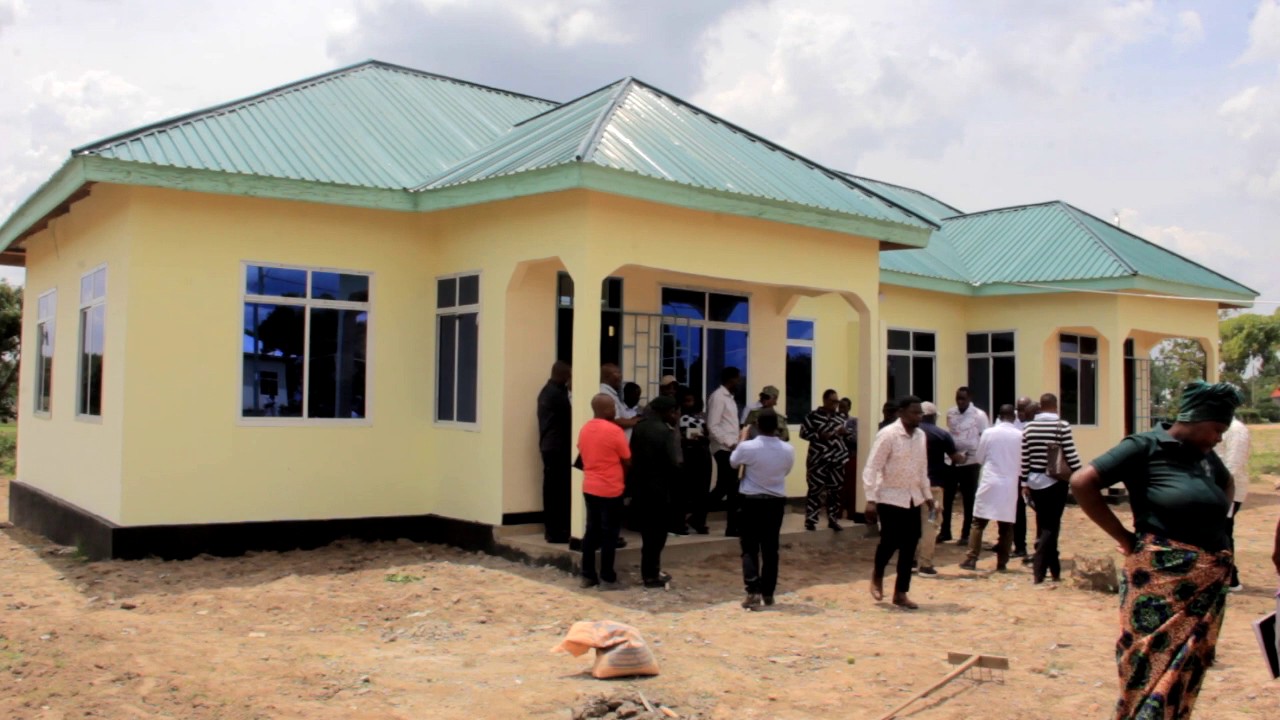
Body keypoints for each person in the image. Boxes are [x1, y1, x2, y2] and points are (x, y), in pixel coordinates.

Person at [1070, 381, 1243, 720]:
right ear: (1195, 420)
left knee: (1185, 673)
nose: (1219, 439)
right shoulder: (1144, 446)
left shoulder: (1203, 457)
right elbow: (1081, 482)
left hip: (1205, 585)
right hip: (1160, 584)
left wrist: (1214, 519)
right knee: (1148, 666)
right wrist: (1123, 536)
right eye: (1217, 430)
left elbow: (1227, 482)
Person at [864, 395, 935, 610]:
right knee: (889, 542)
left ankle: (901, 592)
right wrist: (871, 499)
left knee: (910, 545)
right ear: (901, 413)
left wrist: (928, 496)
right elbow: (872, 467)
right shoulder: (888, 435)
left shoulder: (920, 436)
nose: (919, 417)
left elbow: (922, 468)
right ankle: (878, 574)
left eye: (920, 413)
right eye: (914, 413)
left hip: (913, 497)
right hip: (889, 497)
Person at [731, 409, 796, 610]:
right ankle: (768, 592)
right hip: (775, 501)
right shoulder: (788, 449)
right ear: (776, 426)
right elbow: (786, 471)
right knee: (770, 548)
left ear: (757, 425)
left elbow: (733, 462)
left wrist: (742, 438)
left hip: (751, 500)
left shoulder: (748, 447)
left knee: (749, 547)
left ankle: (753, 590)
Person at [1020, 393, 1082, 583]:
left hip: (1034, 480)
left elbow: (1025, 458)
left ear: (1040, 406)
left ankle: (1055, 570)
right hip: (1055, 481)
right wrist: (1081, 474)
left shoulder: (1028, 427)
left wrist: (1024, 482)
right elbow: (1071, 454)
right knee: (1051, 526)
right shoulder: (1061, 426)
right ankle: (1039, 569)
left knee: (1045, 522)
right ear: (1055, 406)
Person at [577, 393, 632, 590]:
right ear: (606, 410)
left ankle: (588, 575)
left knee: (591, 531)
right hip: (610, 488)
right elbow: (627, 458)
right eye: (613, 407)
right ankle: (607, 577)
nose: (615, 410)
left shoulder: (585, 429)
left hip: (590, 486)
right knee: (610, 534)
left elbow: (582, 453)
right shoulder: (614, 431)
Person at [629, 396, 682, 589]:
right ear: (667, 412)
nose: (676, 416)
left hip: (640, 486)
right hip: (659, 489)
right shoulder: (665, 432)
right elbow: (672, 463)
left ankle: (649, 572)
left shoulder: (639, 427)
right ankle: (651, 575)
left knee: (647, 533)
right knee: (657, 535)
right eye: (674, 412)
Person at [961, 405, 1022, 572]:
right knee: (1006, 526)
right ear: (1014, 417)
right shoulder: (1020, 435)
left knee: (978, 522)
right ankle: (1002, 563)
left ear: (999, 416)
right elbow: (1022, 461)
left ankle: (971, 559)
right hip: (1009, 484)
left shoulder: (989, 433)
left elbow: (979, 457)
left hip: (990, 480)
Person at [916, 401, 962, 576]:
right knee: (931, 523)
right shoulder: (941, 434)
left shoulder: (912, 433)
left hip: (912, 487)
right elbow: (955, 457)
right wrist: (964, 458)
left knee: (913, 524)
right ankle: (925, 563)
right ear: (934, 416)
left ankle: (911, 559)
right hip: (933, 486)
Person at [800, 389, 850, 531]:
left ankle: (833, 519)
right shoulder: (812, 416)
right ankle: (811, 520)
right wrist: (820, 436)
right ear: (825, 400)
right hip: (818, 460)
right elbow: (803, 433)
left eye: (837, 401)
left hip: (837, 459)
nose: (836, 404)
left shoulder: (840, 417)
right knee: (815, 490)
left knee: (835, 491)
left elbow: (849, 435)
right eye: (833, 401)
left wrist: (845, 433)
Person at [944, 387, 990, 545]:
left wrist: (980, 458)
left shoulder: (979, 415)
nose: (960, 401)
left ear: (970, 398)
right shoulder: (951, 413)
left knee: (969, 499)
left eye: (963, 398)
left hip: (971, 462)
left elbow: (984, 437)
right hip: (952, 460)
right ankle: (945, 531)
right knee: (947, 498)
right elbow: (951, 433)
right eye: (958, 398)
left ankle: (966, 534)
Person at [536, 361, 573, 543]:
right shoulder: (556, 395)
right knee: (556, 491)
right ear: (565, 376)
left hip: (551, 446)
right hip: (556, 447)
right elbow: (571, 415)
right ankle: (555, 531)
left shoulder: (548, 391)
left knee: (555, 490)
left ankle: (556, 529)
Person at [705, 367, 743, 536]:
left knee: (724, 487)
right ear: (731, 379)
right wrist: (729, 443)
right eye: (737, 378)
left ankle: (697, 516)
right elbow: (712, 425)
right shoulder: (718, 397)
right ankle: (731, 527)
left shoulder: (729, 398)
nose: (739, 382)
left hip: (732, 448)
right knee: (731, 488)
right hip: (723, 448)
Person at [1219, 417, 1251, 591]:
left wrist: (1219, 491)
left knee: (1223, 532)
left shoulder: (1236, 430)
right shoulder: (1212, 425)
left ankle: (1231, 578)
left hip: (1226, 490)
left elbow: (1233, 465)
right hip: (1213, 489)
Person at [679, 389, 712, 535]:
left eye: (690, 400)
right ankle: (680, 522)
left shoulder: (702, 416)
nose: (688, 404)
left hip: (702, 454)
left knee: (703, 490)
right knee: (685, 491)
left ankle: (699, 521)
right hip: (688, 455)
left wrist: (704, 437)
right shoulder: (679, 416)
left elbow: (708, 434)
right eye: (685, 401)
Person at [1011, 400, 1039, 559]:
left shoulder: (1035, 427)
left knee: (1039, 512)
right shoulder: (1013, 423)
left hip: (1033, 474)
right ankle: (1019, 546)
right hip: (1017, 473)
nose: (1019, 413)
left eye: (1022, 410)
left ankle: (1039, 548)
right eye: (1018, 409)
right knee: (1017, 511)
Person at [838, 397, 859, 521]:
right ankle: (837, 512)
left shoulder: (854, 422)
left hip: (850, 456)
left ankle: (851, 512)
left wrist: (845, 433)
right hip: (837, 458)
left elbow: (857, 440)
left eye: (844, 407)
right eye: (840, 407)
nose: (841, 409)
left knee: (851, 487)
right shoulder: (834, 420)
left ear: (849, 408)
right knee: (838, 486)